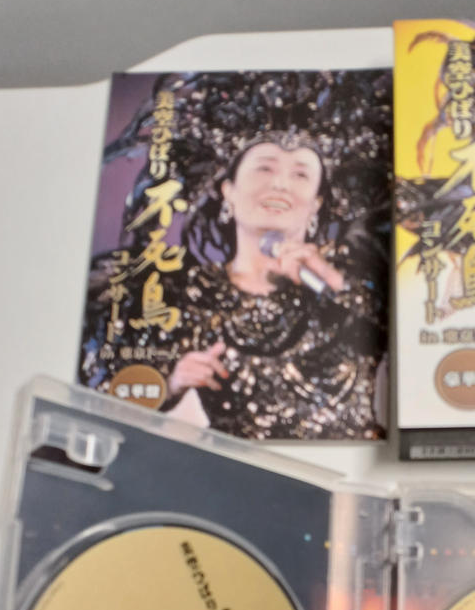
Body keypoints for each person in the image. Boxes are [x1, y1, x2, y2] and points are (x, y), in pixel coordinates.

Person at [160, 132, 385, 440]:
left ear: (316, 204)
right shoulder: (191, 291)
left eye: (300, 175)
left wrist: (333, 280)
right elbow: (118, 399)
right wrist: (172, 384)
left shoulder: (350, 275)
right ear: (229, 191)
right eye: (265, 168)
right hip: (244, 464)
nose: (280, 185)